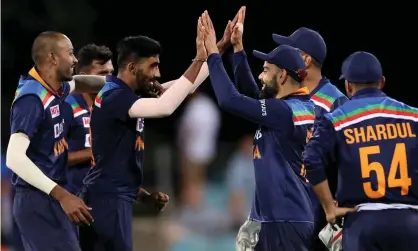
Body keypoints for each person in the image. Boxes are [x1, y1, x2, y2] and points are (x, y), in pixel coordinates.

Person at [79, 19, 213, 251]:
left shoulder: (123, 93)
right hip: (107, 202)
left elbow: (184, 87)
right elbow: (165, 107)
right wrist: (201, 57)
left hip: (111, 198)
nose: (158, 73)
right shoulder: (115, 97)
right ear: (132, 68)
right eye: (152, 66)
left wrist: (216, 50)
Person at [200, 11, 315, 251]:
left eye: (266, 70)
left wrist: (213, 53)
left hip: (285, 221)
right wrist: (238, 49)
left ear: (283, 75)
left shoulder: (283, 112)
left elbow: (231, 100)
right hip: (282, 218)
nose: (261, 76)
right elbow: (253, 97)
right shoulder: (292, 107)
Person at [303, 51, 418, 251]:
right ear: (382, 82)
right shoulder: (413, 116)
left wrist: (329, 206)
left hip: (362, 223)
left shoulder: (336, 119)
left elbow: (311, 159)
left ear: (348, 86)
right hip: (410, 223)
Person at [6, 31, 108, 251]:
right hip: (38, 198)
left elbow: (82, 82)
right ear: (52, 58)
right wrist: (63, 196)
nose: (75, 60)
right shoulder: (32, 98)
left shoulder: (55, 88)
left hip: (48, 197)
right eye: (70, 53)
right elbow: (13, 158)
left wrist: (124, 86)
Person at [272, 27, 348, 250]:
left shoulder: (336, 102)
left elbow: (347, 161)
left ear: (305, 61)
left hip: (317, 215)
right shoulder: (286, 95)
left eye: (291, 50)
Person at [64, 44, 114, 196]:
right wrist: (92, 153)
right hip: (71, 201)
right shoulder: (65, 106)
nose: (109, 79)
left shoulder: (111, 107)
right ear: (84, 76)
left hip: (104, 199)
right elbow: (48, 157)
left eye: (112, 73)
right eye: (103, 73)